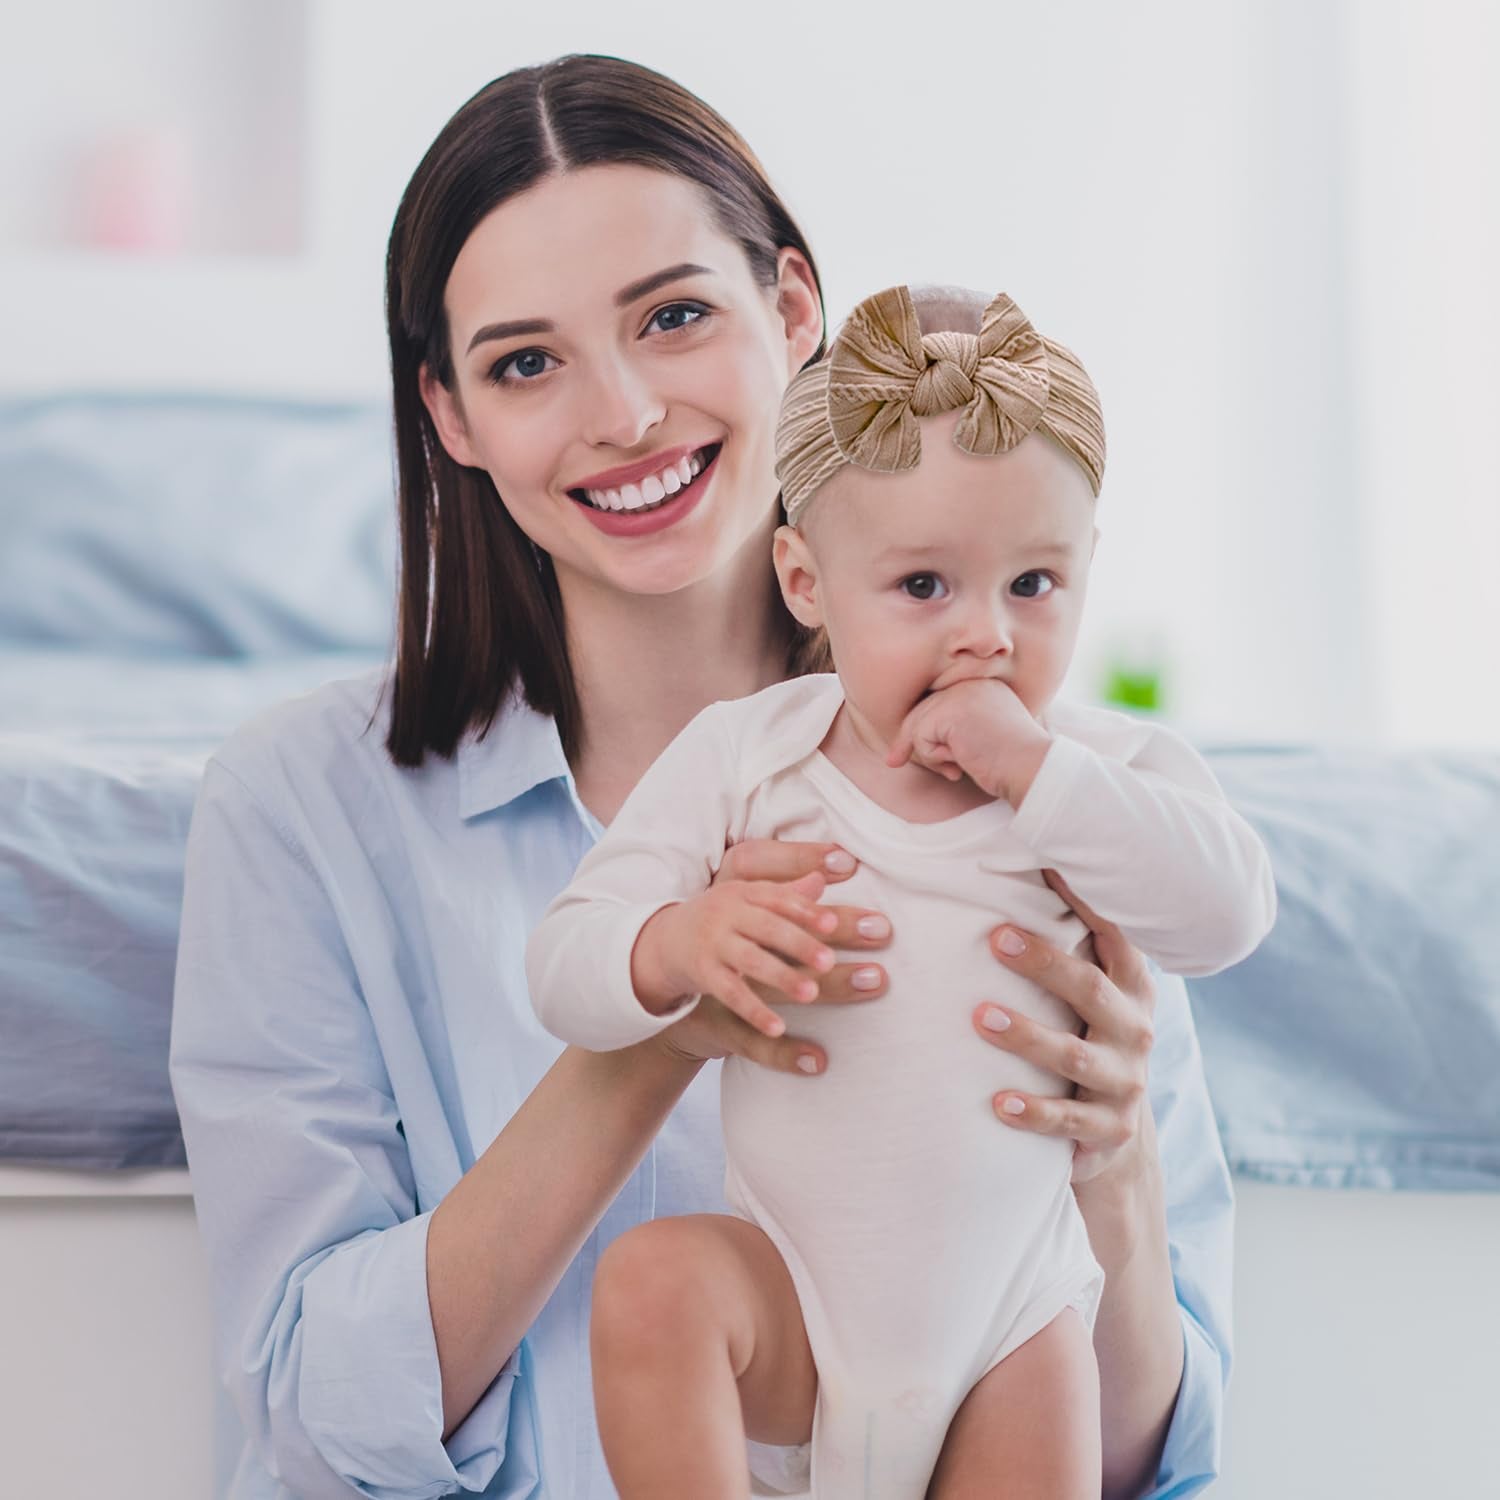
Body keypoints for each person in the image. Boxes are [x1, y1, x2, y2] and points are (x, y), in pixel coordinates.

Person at [169, 54, 1236, 1500]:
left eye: (673, 316)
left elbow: (1146, 1471)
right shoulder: (299, 811)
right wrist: (662, 1013)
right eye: (525, 362)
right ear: (452, 417)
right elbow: (310, 1420)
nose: (622, 414)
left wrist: (1113, 1175)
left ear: (793, 314)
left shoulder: (1054, 790)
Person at [526, 282, 1274, 1498]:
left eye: (1034, 585)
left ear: (1088, 570)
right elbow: (564, 963)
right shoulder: (749, 755)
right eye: (925, 588)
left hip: (1015, 1327)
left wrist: (1034, 768)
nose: (985, 636)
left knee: (1049, 1409)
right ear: (808, 583)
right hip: (795, 1306)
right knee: (654, 1284)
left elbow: (1230, 912)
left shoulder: (1104, 776)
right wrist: (677, 944)